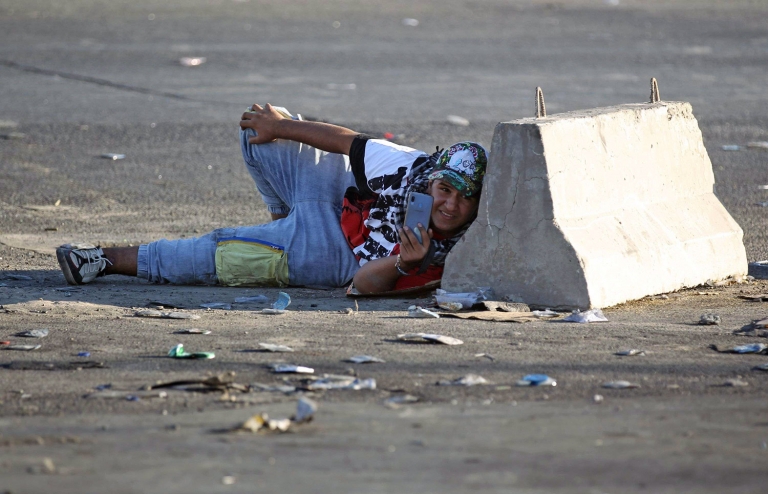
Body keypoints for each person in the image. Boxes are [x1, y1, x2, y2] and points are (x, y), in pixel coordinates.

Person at [56, 104, 488, 294]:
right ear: (432, 181)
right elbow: (346, 142)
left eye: (465, 199)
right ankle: (280, 221)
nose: (451, 206)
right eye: (445, 191)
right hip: (337, 192)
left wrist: (405, 264)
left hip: (334, 252)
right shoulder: (411, 166)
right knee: (258, 127)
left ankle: (102, 260)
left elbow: (360, 286)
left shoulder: (459, 251)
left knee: (220, 254)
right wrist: (279, 126)